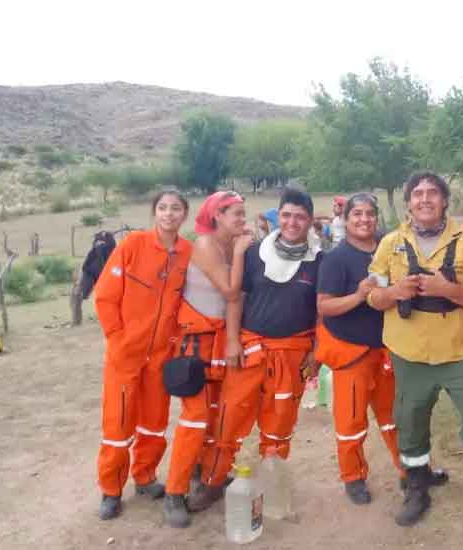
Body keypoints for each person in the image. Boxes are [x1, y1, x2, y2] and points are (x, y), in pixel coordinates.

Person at [368, 171, 463, 548]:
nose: (424, 199)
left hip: (460, 350)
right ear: (408, 203)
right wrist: (394, 293)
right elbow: (372, 294)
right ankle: (417, 490)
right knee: (410, 421)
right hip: (410, 353)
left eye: (432, 193)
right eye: (417, 194)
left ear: (444, 201)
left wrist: (446, 289)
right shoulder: (391, 243)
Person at [190, 188, 323, 511]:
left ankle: (271, 487)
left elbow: (322, 309)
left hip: (293, 352)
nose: (292, 222)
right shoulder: (253, 253)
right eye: (287, 215)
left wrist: (316, 352)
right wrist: (233, 340)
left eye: (300, 217)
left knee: (279, 422)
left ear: (309, 221)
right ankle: (213, 480)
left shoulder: (320, 259)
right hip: (250, 347)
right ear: (279, 215)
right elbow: (237, 298)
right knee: (230, 417)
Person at [94, 189, 193, 520]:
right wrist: (117, 337)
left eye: (175, 208)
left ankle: (145, 476)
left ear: (184, 215)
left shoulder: (187, 253)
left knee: (154, 421)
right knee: (119, 423)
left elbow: (187, 304)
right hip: (125, 354)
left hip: (162, 356)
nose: (168, 214)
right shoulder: (133, 245)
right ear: (154, 213)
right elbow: (106, 296)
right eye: (163, 208)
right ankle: (111, 489)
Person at [163, 191, 254, 527]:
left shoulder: (230, 245)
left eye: (244, 215)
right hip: (195, 342)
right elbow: (230, 291)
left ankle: (203, 473)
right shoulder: (204, 245)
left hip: (220, 340)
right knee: (195, 417)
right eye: (237, 215)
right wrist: (243, 253)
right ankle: (174, 492)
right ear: (217, 215)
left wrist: (232, 340)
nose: (242, 221)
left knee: (217, 414)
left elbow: (237, 301)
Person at [315, 192, 403, 505]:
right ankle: (353, 476)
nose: (364, 219)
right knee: (351, 421)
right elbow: (324, 307)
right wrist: (358, 295)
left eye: (369, 214)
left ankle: (410, 470)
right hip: (351, 351)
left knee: (395, 416)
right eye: (357, 214)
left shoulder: (389, 248)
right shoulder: (336, 258)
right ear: (345, 219)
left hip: (387, 348)